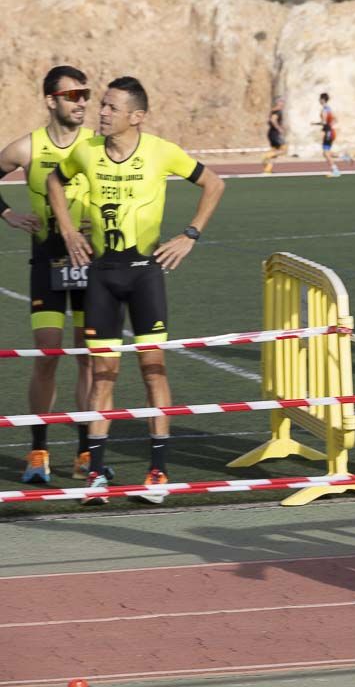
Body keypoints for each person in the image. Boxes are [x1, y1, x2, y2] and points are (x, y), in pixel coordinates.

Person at [48, 76, 225, 505]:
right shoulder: (86, 149)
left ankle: (158, 473)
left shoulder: (161, 151)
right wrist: (69, 230)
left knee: (153, 371)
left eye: (110, 107)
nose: (101, 112)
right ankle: (95, 477)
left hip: (146, 272)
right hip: (102, 275)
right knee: (102, 376)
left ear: (137, 116)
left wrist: (189, 235)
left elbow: (214, 184)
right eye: (102, 105)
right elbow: (55, 182)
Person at [0, 65, 95, 483]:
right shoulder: (26, 149)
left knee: (90, 356)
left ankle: (87, 452)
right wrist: (8, 214)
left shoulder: (99, 145)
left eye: (85, 95)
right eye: (73, 95)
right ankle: (38, 451)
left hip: (93, 261)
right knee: (47, 355)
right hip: (48, 261)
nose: (82, 103)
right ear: (51, 100)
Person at [314, 92, 341, 176]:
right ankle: (343, 156)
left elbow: (324, 122)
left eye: (320, 99)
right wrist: (330, 125)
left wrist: (315, 124)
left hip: (329, 132)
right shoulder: (329, 108)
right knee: (327, 152)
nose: (319, 100)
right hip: (331, 131)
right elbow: (336, 120)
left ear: (322, 99)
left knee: (326, 153)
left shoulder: (324, 110)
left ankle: (335, 171)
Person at [262, 97, 286, 173]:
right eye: (281, 101)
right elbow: (273, 120)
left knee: (275, 152)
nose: (283, 103)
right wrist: (279, 129)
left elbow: (269, 120)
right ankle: (266, 156)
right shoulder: (277, 111)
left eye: (283, 101)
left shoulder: (273, 110)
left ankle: (267, 170)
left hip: (271, 133)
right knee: (284, 150)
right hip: (275, 134)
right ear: (277, 102)